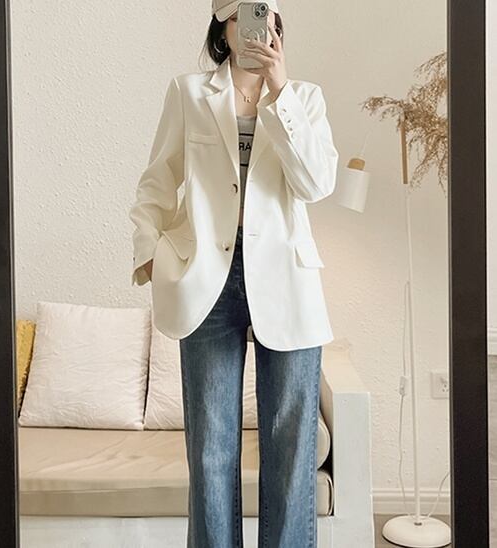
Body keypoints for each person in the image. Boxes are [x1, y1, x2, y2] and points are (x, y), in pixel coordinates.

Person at [129, 1, 339, 546]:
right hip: (208, 277)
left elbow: (316, 183)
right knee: (210, 446)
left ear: (276, 26)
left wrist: (279, 89)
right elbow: (157, 180)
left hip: (286, 278)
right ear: (223, 27)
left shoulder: (305, 98)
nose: (253, 28)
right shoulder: (188, 92)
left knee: (291, 445)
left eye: (262, 15)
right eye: (240, 15)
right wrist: (148, 251)